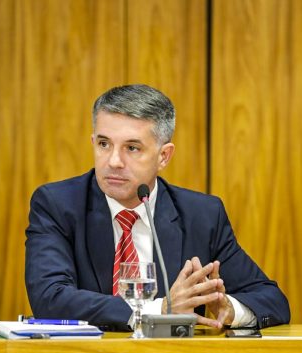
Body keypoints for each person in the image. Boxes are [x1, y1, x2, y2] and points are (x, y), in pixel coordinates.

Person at [25, 84, 290, 331]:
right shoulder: (58, 205)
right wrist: (160, 310)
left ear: (164, 156)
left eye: (132, 148)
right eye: (104, 144)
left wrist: (228, 308)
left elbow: (272, 300)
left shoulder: (201, 216)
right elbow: (50, 298)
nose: (114, 161)